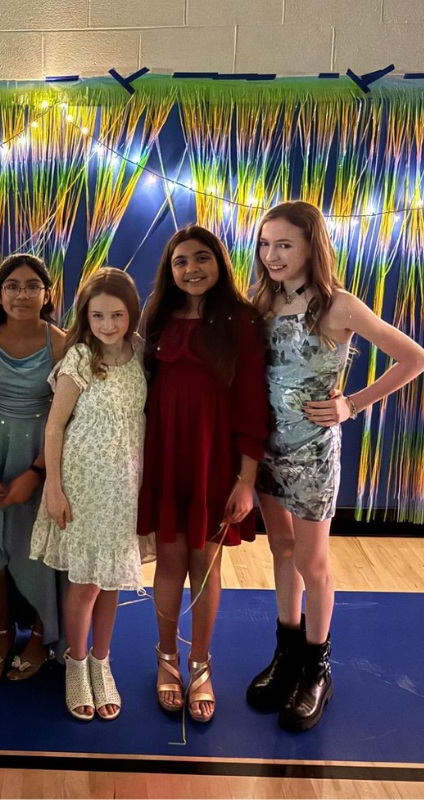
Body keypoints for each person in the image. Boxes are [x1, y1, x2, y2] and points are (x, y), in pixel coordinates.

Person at [248, 201, 424, 731]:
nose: (272, 255)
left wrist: (354, 403)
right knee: (279, 548)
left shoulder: (338, 306)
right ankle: (287, 650)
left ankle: (317, 667)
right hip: (265, 450)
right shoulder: (261, 301)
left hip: (312, 452)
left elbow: (413, 357)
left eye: (284, 244)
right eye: (265, 243)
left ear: (310, 246)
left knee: (312, 561)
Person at [138, 227, 268, 723]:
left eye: (201, 258)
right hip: (166, 456)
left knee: (206, 563)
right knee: (169, 561)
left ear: (220, 262)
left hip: (216, 462)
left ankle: (200, 662)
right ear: (169, 271)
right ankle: (166, 657)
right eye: (180, 262)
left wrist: (246, 479)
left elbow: (253, 404)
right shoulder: (159, 316)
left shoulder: (242, 319)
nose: (191, 268)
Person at [31, 268, 146, 721]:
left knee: (112, 577)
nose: (107, 324)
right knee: (86, 583)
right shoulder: (79, 357)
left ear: (131, 314)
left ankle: (102, 659)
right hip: (84, 484)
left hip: (125, 486)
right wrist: (54, 487)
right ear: (86, 316)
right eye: (97, 315)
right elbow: (56, 425)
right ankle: (76, 664)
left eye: (117, 314)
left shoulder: (140, 354)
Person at [0, 254, 66, 681]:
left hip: (44, 454)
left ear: (47, 293)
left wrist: (38, 472)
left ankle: (42, 634)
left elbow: (67, 417)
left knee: (41, 550)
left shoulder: (60, 342)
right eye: (12, 286)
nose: (22, 295)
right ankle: (2, 632)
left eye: (31, 286)